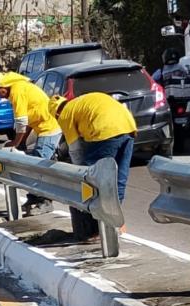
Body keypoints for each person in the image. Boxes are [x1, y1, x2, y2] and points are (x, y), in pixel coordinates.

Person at [49, 93, 136, 240]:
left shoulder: (64, 114)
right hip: (128, 126)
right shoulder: (80, 102)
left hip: (105, 131)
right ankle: (117, 222)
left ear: (56, 113)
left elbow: (75, 150)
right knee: (118, 178)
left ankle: (98, 229)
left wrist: (79, 173)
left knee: (93, 181)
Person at [0, 71, 62, 216]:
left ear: (3, 86)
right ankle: (33, 198)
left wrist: (15, 142)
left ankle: (44, 202)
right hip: (44, 128)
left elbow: (21, 121)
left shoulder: (17, 92)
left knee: (39, 167)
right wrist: (22, 141)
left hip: (50, 129)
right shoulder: (19, 88)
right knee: (34, 164)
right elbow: (28, 122)